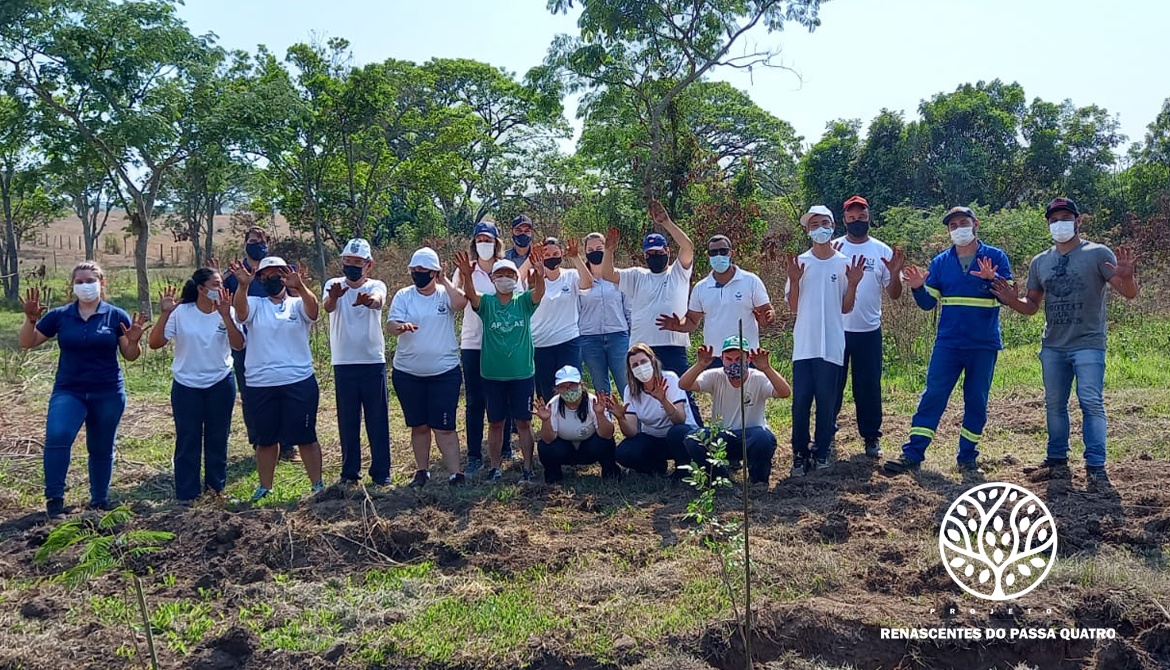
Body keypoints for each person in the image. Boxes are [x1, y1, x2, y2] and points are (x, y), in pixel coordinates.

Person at [989, 197, 1139, 484]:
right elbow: (1032, 305)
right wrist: (1010, 300)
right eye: (1054, 219)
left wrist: (1127, 277)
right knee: (1054, 404)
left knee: (1091, 402)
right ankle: (1057, 458)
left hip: (1088, 343)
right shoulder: (1040, 261)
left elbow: (1128, 292)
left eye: (1066, 218)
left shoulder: (1097, 253)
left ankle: (1096, 464)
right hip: (1053, 346)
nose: (1060, 224)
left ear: (1078, 221)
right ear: (1048, 223)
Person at [884, 206, 1029, 476]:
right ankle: (913, 454)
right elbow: (928, 303)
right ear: (948, 231)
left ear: (976, 224)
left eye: (963, 222)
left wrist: (992, 279)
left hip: (983, 344)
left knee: (976, 401)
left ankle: (967, 457)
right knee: (933, 396)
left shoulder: (995, 256)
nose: (959, 228)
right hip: (948, 344)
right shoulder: (940, 262)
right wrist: (916, 286)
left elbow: (1008, 296)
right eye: (953, 225)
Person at [19, 262, 148, 517]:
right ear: (72, 285)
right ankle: (54, 499)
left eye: (90, 280)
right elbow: (28, 342)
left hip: (108, 391)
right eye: (79, 282)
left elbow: (130, 355)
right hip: (70, 390)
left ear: (102, 283)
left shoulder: (116, 315)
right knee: (58, 436)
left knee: (101, 446)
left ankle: (99, 500)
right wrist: (30, 321)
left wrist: (133, 341)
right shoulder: (60, 315)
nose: (85, 286)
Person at [598, 199, 702, 424]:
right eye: (650, 253)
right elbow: (608, 274)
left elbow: (688, 247)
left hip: (673, 345)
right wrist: (608, 250)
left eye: (659, 251)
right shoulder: (637, 275)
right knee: (644, 395)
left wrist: (666, 222)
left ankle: (696, 437)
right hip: (643, 349)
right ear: (645, 256)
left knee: (682, 391)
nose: (655, 255)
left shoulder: (678, 273)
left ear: (667, 251)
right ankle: (648, 436)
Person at [229, 256, 324, 501]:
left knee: (306, 437)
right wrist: (242, 285)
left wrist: (300, 286)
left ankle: (318, 486)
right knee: (266, 440)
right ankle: (265, 487)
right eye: (267, 275)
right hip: (261, 383)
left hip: (298, 380)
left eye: (278, 274)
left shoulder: (297, 303)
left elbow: (314, 312)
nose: (273, 279)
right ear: (260, 278)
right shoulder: (254, 303)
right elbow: (240, 313)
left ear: (287, 275)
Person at [148, 268, 244, 504]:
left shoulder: (227, 311)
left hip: (220, 383)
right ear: (201, 288)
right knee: (188, 439)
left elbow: (239, 345)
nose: (220, 289)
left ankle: (216, 491)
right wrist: (164, 313)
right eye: (215, 284)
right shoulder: (181, 312)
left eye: (221, 284)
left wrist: (226, 316)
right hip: (186, 385)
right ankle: (187, 494)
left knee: (217, 438)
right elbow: (155, 343)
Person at [453, 246, 547, 483]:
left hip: (522, 374)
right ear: (492, 279)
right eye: (500, 275)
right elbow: (471, 296)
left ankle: (528, 467)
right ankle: (495, 468)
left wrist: (540, 273)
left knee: (524, 422)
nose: (505, 278)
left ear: (516, 279)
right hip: (493, 376)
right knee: (496, 423)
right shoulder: (486, 304)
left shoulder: (523, 301)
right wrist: (466, 275)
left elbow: (538, 293)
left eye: (509, 275)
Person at [785, 206, 865, 476]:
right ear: (808, 230)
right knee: (801, 402)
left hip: (831, 344)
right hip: (804, 345)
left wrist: (853, 283)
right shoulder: (800, 262)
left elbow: (845, 307)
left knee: (827, 401)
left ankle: (822, 451)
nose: (820, 228)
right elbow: (793, 306)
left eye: (825, 223)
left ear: (833, 226)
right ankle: (799, 453)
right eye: (814, 224)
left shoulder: (843, 263)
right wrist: (794, 281)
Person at [388, 247, 468, 487]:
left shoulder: (445, 293)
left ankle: (456, 474)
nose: (418, 274)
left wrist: (444, 278)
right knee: (419, 426)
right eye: (415, 270)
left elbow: (461, 303)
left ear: (434, 272)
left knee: (444, 427)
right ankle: (422, 471)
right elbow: (391, 324)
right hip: (408, 374)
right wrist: (401, 328)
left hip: (444, 373)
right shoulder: (404, 295)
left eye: (424, 270)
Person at [831, 195, 904, 458]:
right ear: (844, 220)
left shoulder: (882, 251)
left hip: (869, 331)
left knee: (868, 385)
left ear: (869, 217)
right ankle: (827, 431)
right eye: (852, 217)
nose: (857, 221)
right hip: (836, 330)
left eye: (862, 217)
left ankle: (871, 437)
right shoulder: (833, 248)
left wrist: (895, 273)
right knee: (832, 384)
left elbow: (894, 294)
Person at [223, 226, 298, 463]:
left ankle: (288, 445)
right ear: (245, 244)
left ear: (268, 243)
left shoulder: (281, 270)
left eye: (261, 240)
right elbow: (218, 298)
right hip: (246, 345)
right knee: (251, 395)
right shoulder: (234, 275)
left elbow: (299, 301)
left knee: (285, 392)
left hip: (281, 343)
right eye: (252, 240)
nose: (257, 244)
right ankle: (260, 442)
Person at [322, 238, 391, 487]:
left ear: (368, 264)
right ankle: (350, 472)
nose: (351, 266)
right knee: (348, 420)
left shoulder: (377, 284)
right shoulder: (333, 285)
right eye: (347, 261)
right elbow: (328, 308)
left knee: (378, 419)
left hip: (372, 361)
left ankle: (382, 472)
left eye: (357, 262)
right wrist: (335, 298)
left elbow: (378, 300)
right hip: (344, 362)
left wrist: (368, 301)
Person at [679, 337, 791, 485]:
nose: (734, 363)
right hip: (721, 439)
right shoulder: (715, 376)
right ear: (722, 359)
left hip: (750, 438)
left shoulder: (759, 378)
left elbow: (785, 393)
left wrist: (767, 368)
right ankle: (719, 479)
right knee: (693, 438)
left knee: (763, 437)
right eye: (729, 359)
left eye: (739, 359)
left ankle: (758, 481)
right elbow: (684, 384)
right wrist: (700, 365)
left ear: (748, 359)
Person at [452, 221, 516, 475]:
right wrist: (460, 276)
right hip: (474, 343)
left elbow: (518, 298)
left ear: (497, 242)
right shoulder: (466, 269)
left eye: (488, 240)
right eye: (480, 239)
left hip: (503, 343)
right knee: (475, 400)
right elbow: (458, 300)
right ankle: (474, 455)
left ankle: (505, 448)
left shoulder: (505, 268)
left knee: (504, 396)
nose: (484, 244)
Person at [657, 235, 774, 366]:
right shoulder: (701, 287)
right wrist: (678, 325)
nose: (718, 255)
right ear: (709, 256)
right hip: (714, 359)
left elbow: (766, 311)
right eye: (713, 252)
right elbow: (692, 321)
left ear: (731, 253)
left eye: (723, 251)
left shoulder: (751, 281)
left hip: (746, 357)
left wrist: (767, 318)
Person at [608, 344, 697, 476]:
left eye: (643, 361)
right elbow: (631, 432)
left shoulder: (670, 379)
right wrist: (621, 418)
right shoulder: (630, 391)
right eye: (635, 365)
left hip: (680, 436)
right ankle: (656, 466)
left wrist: (663, 400)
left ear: (652, 361)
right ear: (631, 370)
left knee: (677, 432)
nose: (640, 367)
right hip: (653, 438)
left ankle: (683, 467)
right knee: (623, 453)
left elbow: (680, 419)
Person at [531, 236, 592, 401]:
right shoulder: (532, 277)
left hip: (568, 341)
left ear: (561, 254)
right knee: (546, 392)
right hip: (541, 343)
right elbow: (518, 284)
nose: (551, 257)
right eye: (547, 254)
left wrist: (576, 257)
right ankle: (550, 425)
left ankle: (576, 422)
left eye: (555, 253)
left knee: (571, 388)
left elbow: (588, 283)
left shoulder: (571, 276)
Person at [534, 366, 619, 484]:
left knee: (605, 443)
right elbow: (548, 439)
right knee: (544, 446)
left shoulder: (593, 402)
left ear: (581, 384)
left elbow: (608, 434)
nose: (568, 390)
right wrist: (546, 420)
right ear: (557, 389)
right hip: (565, 449)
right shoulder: (552, 405)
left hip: (589, 448)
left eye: (572, 385)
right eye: (563, 387)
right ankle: (553, 476)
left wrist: (600, 414)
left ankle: (611, 472)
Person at [577, 232, 631, 398]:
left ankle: (633, 420)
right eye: (590, 249)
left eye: (599, 248)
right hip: (590, 338)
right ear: (585, 252)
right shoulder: (579, 278)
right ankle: (605, 420)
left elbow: (628, 308)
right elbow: (577, 311)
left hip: (618, 336)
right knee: (600, 386)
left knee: (626, 383)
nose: (595, 252)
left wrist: (632, 333)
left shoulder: (618, 277)